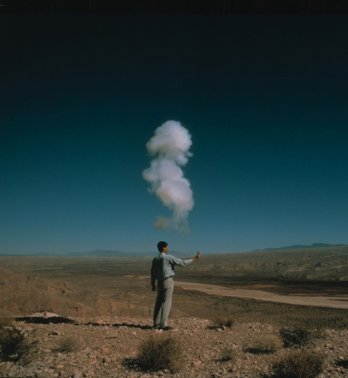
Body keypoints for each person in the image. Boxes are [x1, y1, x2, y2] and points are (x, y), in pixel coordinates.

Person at [151, 240, 200, 330]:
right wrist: (194, 259)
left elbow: (152, 273)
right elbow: (182, 263)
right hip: (167, 281)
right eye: (167, 247)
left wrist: (153, 284)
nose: (168, 249)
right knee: (167, 302)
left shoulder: (155, 259)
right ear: (164, 247)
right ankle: (163, 324)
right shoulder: (168, 257)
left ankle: (156, 323)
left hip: (159, 283)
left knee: (158, 302)